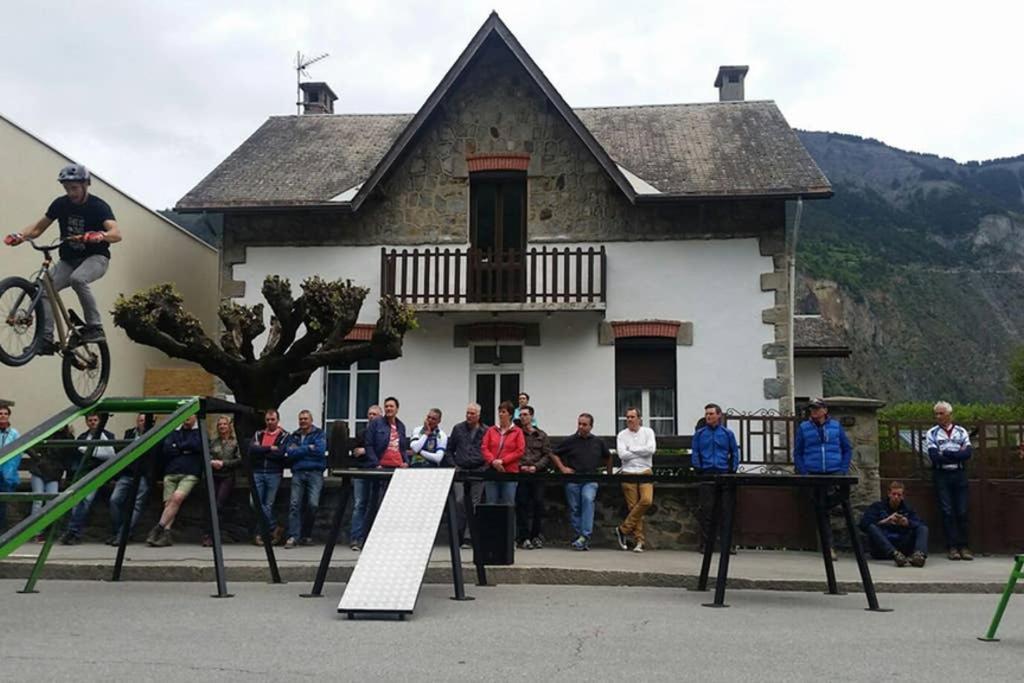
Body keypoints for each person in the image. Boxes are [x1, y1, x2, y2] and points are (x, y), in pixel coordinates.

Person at [5, 164, 122, 351]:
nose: (71, 193)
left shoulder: (98, 206)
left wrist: (100, 235)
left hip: (96, 258)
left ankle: (95, 327)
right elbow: (37, 228)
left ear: (86, 185)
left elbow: (116, 233)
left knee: (78, 279)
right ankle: (45, 340)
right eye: (67, 189)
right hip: (68, 260)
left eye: (74, 188)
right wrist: (20, 236)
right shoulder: (60, 204)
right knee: (43, 290)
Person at [792, 398, 853, 561]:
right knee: (821, 510)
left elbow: (847, 449)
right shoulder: (804, 428)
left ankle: (835, 542)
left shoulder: (835, 426)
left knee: (837, 502)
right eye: (812, 409)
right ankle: (829, 547)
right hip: (814, 473)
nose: (814, 411)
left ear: (825, 410)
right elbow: (797, 452)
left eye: (817, 408)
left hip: (834, 472)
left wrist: (843, 469)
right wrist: (804, 472)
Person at [551, 413, 612, 551]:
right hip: (573, 479)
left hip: (590, 478)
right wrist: (562, 468)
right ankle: (579, 537)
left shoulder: (598, 442)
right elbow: (554, 453)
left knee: (587, 499)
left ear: (591, 426)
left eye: (584, 424)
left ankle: (584, 535)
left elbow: (608, 457)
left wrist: (608, 475)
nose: (581, 427)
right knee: (574, 507)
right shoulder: (570, 441)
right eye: (579, 424)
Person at [146, 414, 203, 547]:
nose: (186, 418)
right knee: (168, 504)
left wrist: (179, 447)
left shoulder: (199, 432)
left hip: (190, 472)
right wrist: (186, 449)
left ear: (195, 417)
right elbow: (167, 449)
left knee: (176, 498)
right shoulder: (174, 431)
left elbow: (197, 445)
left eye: (189, 416)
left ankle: (158, 528)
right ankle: (166, 534)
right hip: (171, 472)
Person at [926, 401, 974, 561]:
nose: (938, 417)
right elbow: (934, 457)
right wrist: (954, 454)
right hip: (942, 476)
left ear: (949, 414)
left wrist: (946, 453)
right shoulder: (932, 433)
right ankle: (952, 547)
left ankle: (964, 546)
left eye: (941, 413)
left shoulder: (961, 432)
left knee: (962, 511)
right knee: (947, 511)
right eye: (936, 414)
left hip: (959, 474)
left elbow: (967, 453)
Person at [691, 403, 740, 552]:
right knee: (707, 510)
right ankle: (706, 544)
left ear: (718, 415)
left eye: (711, 414)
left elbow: (735, 452)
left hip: (723, 472)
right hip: (707, 473)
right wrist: (698, 467)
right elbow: (695, 452)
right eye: (706, 414)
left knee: (725, 510)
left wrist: (732, 469)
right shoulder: (700, 434)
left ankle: (727, 544)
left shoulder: (727, 434)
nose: (708, 417)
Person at [61, 413, 116, 544]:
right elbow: (79, 459)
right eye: (90, 420)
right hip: (85, 475)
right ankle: (73, 532)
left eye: (95, 420)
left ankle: (73, 532)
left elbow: (111, 455)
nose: (92, 422)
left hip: (100, 475)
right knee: (76, 501)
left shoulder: (108, 436)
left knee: (86, 499)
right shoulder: (83, 437)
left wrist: (90, 454)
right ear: (86, 422)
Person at [108, 414, 156, 545]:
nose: (142, 423)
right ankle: (120, 532)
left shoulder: (155, 433)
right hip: (127, 473)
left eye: (145, 421)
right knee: (114, 500)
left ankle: (122, 535)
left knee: (137, 504)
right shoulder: (129, 434)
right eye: (140, 420)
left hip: (143, 474)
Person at [445, 403, 488, 547]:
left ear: (478, 415)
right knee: (459, 501)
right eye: (467, 413)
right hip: (460, 471)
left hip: (478, 471)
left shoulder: (486, 430)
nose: (469, 416)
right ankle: (458, 534)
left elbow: (490, 451)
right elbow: (449, 450)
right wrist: (454, 466)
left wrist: (485, 467)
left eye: (472, 414)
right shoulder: (458, 429)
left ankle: (470, 536)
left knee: (475, 503)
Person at [614, 407, 657, 553]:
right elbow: (622, 455)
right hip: (628, 472)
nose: (629, 420)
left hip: (645, 470)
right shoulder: (622, 435)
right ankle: (639, 541)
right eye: (627, 417)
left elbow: (651, 449)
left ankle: (622, 529)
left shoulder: (648, 432)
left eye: (632, 417)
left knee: (646, 500)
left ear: (639, 418)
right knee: (633, 507)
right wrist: (640, 451)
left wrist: (631, 449)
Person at [859, 481, 928, 567]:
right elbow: (863, 524)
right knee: (872, 527)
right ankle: (895, 554)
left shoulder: (908, 509)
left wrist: (907, 522)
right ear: (889, 494)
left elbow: (920, 524)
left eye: (899, 495)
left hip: (903, 547)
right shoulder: (877, 507)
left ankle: (919, 556)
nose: (896, 497)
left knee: (922, 528)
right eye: (894, 494)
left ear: (902, 496)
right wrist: (885, 521)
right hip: (882, 548)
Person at [284, 410, 327, 548]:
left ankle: (306, 534)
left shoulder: (319, 434)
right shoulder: (294, 435)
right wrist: (309, 447)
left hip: (315, 472)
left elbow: (320, 450)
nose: (303, 421)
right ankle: (293, 536)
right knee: (294, 505)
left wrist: (300, 450)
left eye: (305, 419)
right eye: (301, 419)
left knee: (313, 504)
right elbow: (290, 452)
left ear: (311, 420)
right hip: (298, 472)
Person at [249, 409, 288, 546]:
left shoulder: (284, 435)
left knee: (268, 505)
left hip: (274, 472)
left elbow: (280, 454)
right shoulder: (258, 434)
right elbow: (252, 450)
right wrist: (269, 448)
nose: (270, 422)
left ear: (278, 420)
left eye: (273, 419)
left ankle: (261, 533)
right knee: (255, 503)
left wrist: (262, 450)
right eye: (268, 420)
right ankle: (274, 527)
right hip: (258, 472)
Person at [28, 425, 74, 541]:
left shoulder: (69, 438)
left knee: (51, 501)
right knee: (38, 499)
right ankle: (35, 531)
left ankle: (47, 530)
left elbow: (68, 459)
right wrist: (39, 459)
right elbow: (30, 446)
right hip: (39, 470)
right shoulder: (47, 433)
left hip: (54, 473)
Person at [201, 416, 242, 547]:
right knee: (210, 504)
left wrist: (224, 463)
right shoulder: (214, 442)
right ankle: (208, 534)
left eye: (224, 424)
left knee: (218, 504)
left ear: (229, 426)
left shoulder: (235, 442)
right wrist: (212, 462)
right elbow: (207, 455)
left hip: (227, 475)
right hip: (214, 474)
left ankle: (215, 534)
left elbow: (239, 459)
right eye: (220, 425)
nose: (222, 427)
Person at [515, 405, 552, 549]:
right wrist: (521, 466)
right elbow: (514, 452)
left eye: (525, 414)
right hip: (522, 473)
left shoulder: (541, 435)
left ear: (531, 416)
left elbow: (547, 454)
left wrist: (536, 467)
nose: (523, 417)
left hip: (537, 474)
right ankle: (523, 537)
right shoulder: (517, 434)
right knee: (522, 504)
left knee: (538, 503)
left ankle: (536, 535)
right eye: (521, 415)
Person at [349, 404, 382, 551]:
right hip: (361, 471)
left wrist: (367, 450)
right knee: (359, 504)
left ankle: (371, 537)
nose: (371, 416)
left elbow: (383, 452)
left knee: (375, 504)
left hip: (377, 472)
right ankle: (356, 538)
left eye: (375, 414)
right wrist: (368, 451)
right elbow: (356, 452)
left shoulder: (383, 433)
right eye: (370, 414)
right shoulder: (362, 433)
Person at [482, 400, 525, 504]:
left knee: (508, 504)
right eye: (500, 411)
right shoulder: (491, 430)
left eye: (504, 412)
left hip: (509, 472)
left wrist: (503, 461)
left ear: (510, 415)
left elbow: (520, 450)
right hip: (492, 471)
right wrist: (493, 461)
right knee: (491, 503)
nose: (500, 414)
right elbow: (484, 447)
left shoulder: (517, 431)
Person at [0, 405, 23, 533]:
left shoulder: (14, 433)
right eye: (0, 413)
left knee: (3, 503)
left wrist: (10, 472)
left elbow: (17, 454)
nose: (2, 416)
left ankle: (2, 530)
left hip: (7, 473)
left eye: (5, 413)